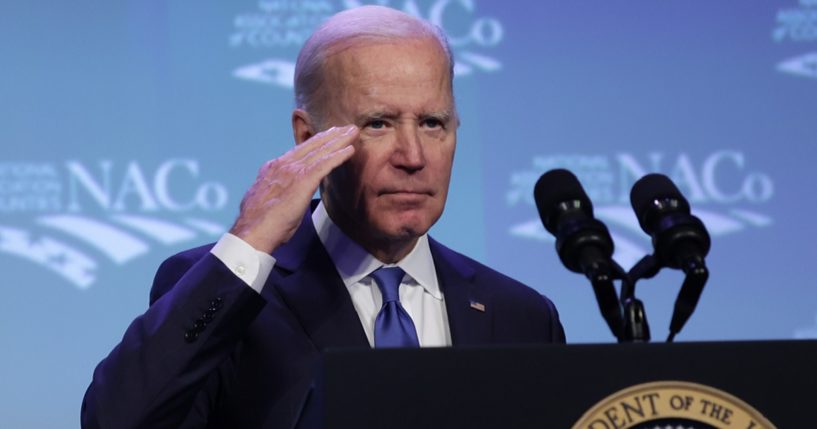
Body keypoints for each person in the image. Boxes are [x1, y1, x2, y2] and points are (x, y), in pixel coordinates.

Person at [81, 5, 564, 429]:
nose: (413, 156)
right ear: (307, 136)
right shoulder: (221, 290)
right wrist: (249, 240)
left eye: (433, 123)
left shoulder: (520, 316)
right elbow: (118, 420)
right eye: (378, 123)